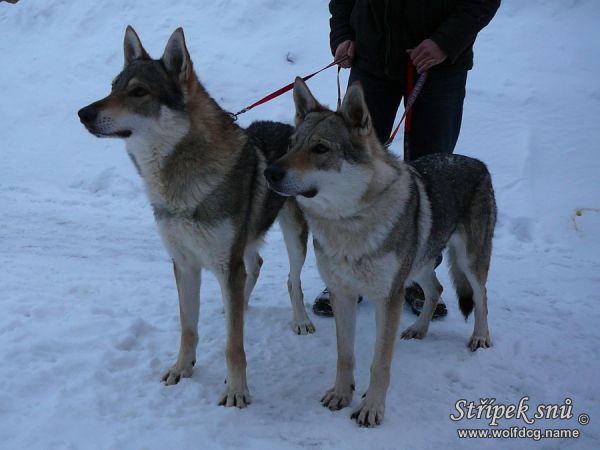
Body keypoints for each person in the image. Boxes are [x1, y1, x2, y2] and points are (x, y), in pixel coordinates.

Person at [313, 0, 501, 318]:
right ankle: (347, 275)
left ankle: (417, 276)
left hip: (439, 68)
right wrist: (343, 33)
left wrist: (445, 41)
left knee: (429, 177)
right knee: (352, 170)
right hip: (371, 63)